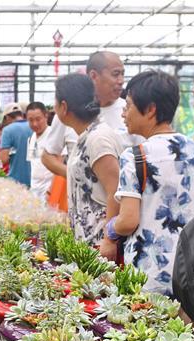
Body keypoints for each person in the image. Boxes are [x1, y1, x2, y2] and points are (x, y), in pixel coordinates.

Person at [108, 70, 194, 295]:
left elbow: (128, 221)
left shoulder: (136, 156)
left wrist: (110, 228)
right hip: (191, 270)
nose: (124, 113)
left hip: (149, 273)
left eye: (130, 105)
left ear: (151, 109)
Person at [41, 51, 141, 179]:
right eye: (115, 74)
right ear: (93, 76)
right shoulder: (69, 112)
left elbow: (144, 157)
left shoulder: (130, 111)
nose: (121, 81)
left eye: (123, 74)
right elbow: (48, 156)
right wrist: (79, 177)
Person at [55, 73, 123, 248]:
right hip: (88, 240)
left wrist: (109, 240)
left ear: (63, 106)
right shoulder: (87, 136)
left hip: (99, 242)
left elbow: (115, 191)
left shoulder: (98, 139)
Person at [25, 101, 55, 202]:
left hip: (50, 192)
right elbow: (33, 165)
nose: (35, 124)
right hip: (35, 191)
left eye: (38, 119)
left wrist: (51, 191)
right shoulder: (31, 138)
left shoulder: (54, 136)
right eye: (30, 120)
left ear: (46, 116)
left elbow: (60, 164)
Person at [0, 103, 33, 187]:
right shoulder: (34, 126)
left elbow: (4, 159)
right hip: (36, 179)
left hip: (16, 180)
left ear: (6, 118)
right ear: (21, 114)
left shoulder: (7, 130)